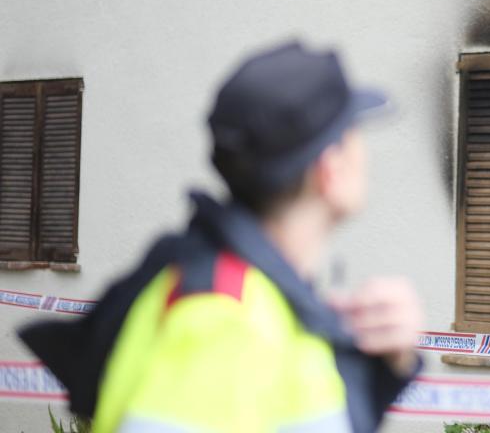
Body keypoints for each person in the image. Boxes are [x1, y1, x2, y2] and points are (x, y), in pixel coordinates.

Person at [20, 40, 423, 433]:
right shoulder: (223, 316)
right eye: (354, 133)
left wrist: (389, 365)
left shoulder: (264, 296)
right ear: (329, 170)